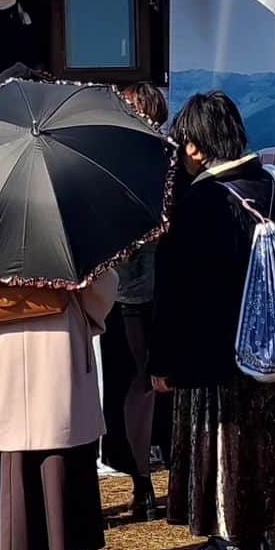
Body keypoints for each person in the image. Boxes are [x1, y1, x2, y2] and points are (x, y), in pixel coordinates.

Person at [148, 91, 275, 550]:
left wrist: (163, 360)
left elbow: (174, 289)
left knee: (221, 439)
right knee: (264, 436)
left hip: (214, 347)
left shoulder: (201, 200)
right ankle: (258, 539)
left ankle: (227, 543)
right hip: (272, 343)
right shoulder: (270, 186)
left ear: (195, 146)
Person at [0, 270, 118, 550]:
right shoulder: (64, 228)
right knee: (55, 452)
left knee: (7, 458)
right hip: (57, 341)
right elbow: (100, 289)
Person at [100, 82, 169, 520]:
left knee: (134, 387)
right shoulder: (167, 159)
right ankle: (147, 474)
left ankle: (142, 480)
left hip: (131, 292)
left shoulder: (135, 162)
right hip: (145, 291)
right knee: (145, 386)